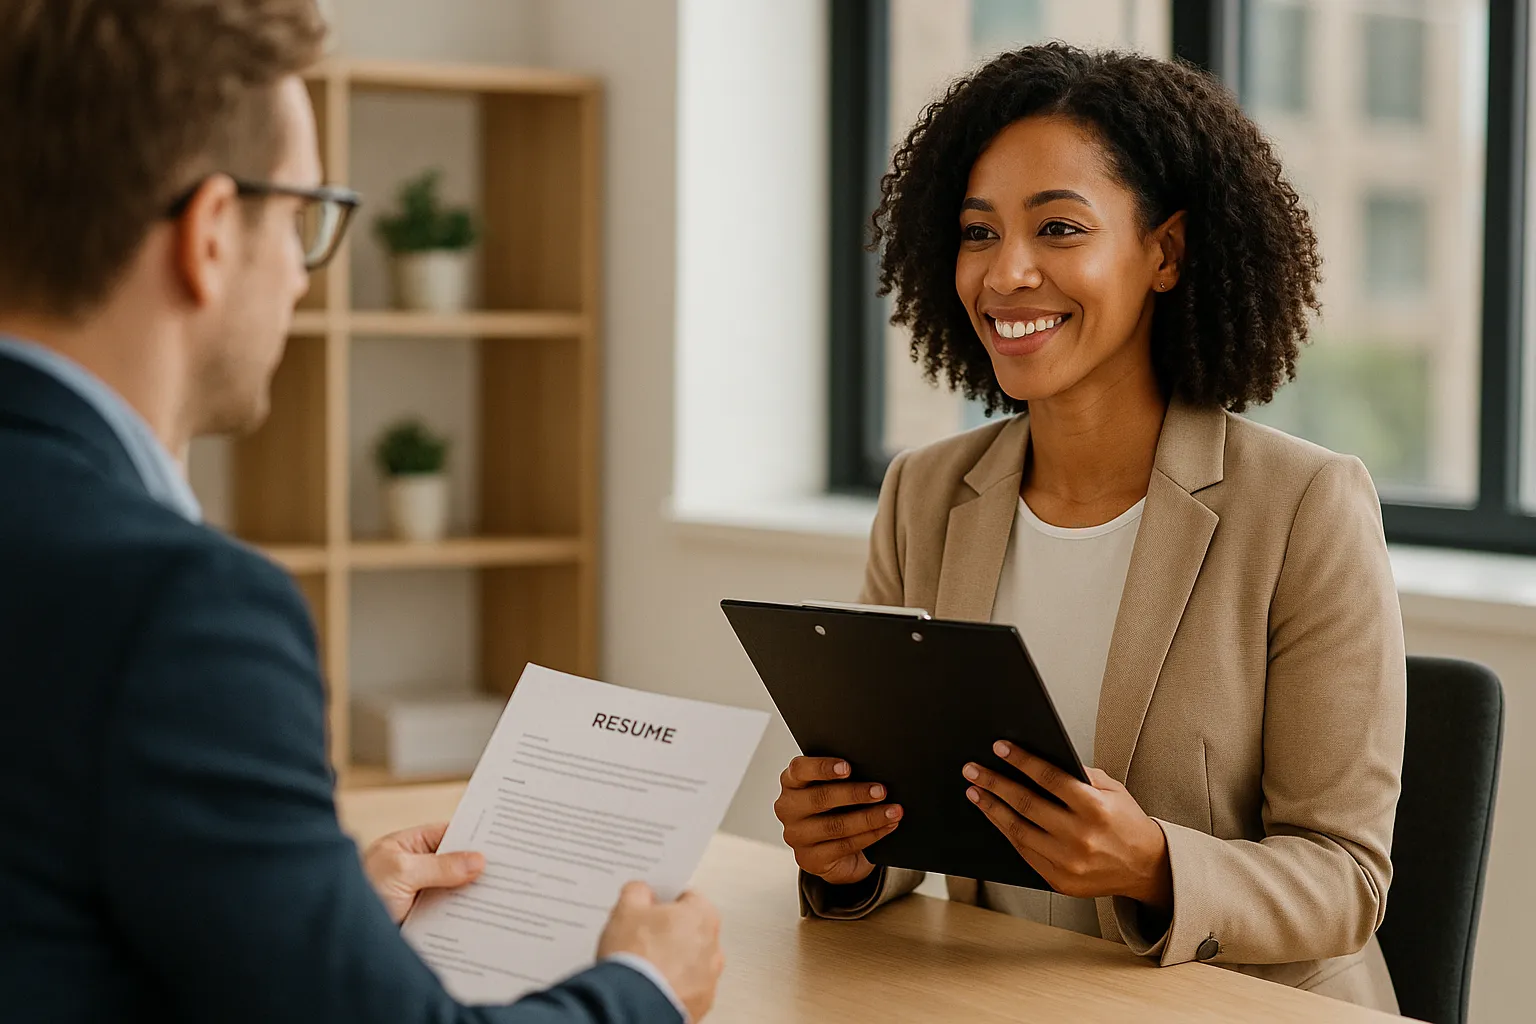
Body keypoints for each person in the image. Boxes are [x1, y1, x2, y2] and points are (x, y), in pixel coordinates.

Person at [0, 2, 722, 1022]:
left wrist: (316, 922)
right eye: (302, 218)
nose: (301, 273)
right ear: (210, 234)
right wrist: (646, 984)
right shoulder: (177, 608)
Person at [773, 44, 1404, 1012]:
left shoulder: (1303, 506)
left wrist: (1151, 862)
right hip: (998, 995)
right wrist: (851, 849)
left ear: (1166, 252)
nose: (1007, 273)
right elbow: (913, 820)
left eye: (1058, 228)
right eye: (978, 234)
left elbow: (1347, 878)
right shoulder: (926, 494)